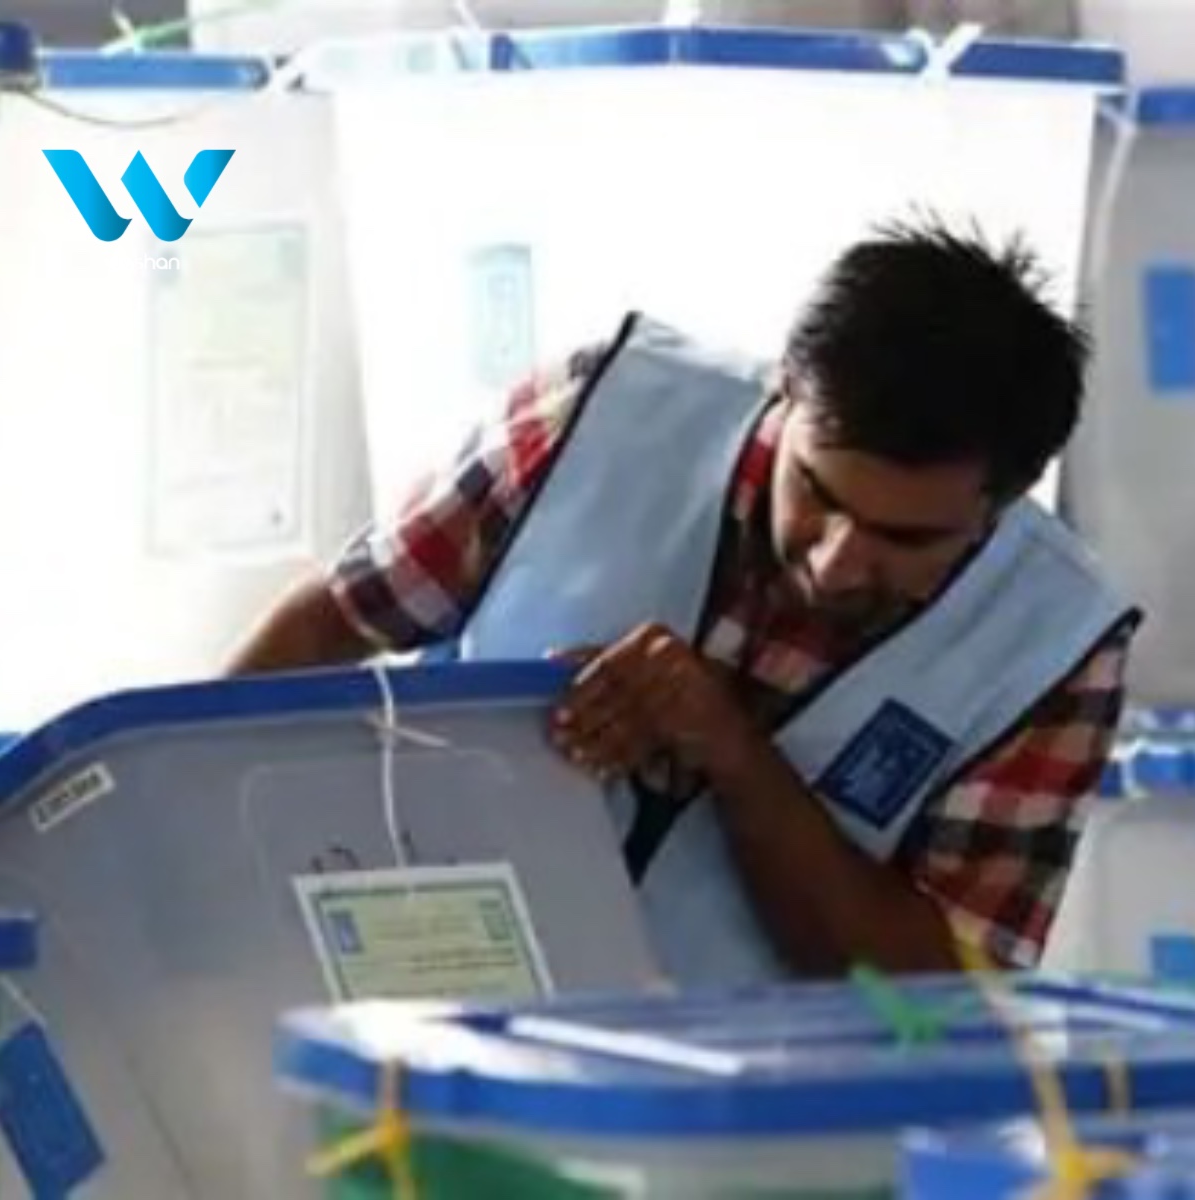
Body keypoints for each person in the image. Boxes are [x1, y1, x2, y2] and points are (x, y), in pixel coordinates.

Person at [227, 217, 1140, 985]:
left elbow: (941, 993)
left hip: (754, 1115)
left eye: (903, 541)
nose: (835, 563)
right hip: (447, 1048)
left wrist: (734, 756)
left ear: (1005, 501)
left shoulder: (1053, 647)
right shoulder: (594, 417)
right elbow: (339, 619)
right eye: (815, 493)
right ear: (787, 393)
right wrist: (184, 859)